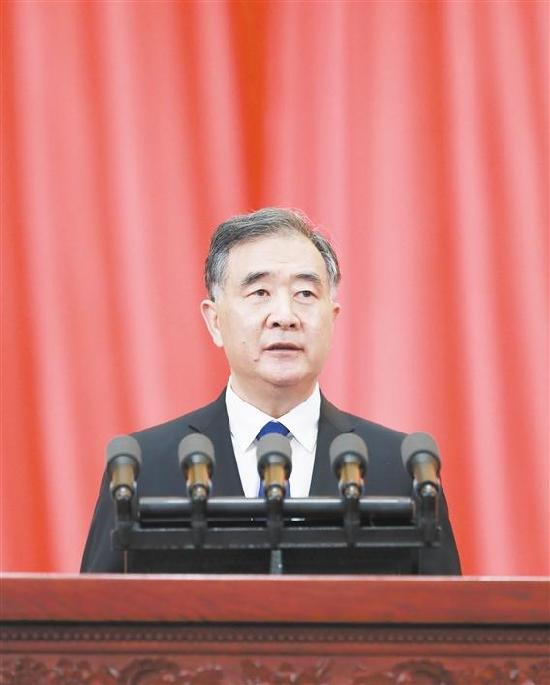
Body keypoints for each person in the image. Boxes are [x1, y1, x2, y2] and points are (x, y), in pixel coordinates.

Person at [81, 207, 461, 574]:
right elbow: (96, 613)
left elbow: (446, 615)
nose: (284, 316)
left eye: (305, 294)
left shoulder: (399, 468)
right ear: (214, 321)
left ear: (332, 319)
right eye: (260, 292)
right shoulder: (144, 467)